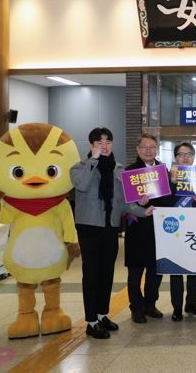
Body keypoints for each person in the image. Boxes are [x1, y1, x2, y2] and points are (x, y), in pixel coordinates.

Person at [71, 127, 154, 339]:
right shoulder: (80, 167)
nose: (104, 146)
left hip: (111, 227)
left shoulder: (119, 170)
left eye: (108, 142)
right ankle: (91, 321)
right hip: (89, 227)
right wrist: (94, 160)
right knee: (91, 274)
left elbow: (125, 203)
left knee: (107, 272)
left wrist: (143, 210)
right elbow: (81, 185)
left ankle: (102, 314)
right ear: (91, 145)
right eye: (99, 143)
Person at [125, 134, 172, 323]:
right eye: (144, 147)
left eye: (152, 147)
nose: (148, 150)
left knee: (155, 269)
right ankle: (136, 307)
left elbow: (169, 198)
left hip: (158, 228)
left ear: (157, 149)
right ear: (138, 149)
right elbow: (124, 201)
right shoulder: (130, 171)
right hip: (137, 228)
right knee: (135, 271)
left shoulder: (163, 170)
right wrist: (140, 203)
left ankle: (150, 304)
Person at [168, 142, 196, 321]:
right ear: (175, 157)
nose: (185, 157)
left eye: (189, 154)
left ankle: (191, 303)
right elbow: (163, 201)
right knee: (175, 270)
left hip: (195, 228)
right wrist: (173, 181)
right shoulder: (167, 177)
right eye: (181, 154)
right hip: (173, 230)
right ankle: (177, 308)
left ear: (193, 157)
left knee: (194, 269)